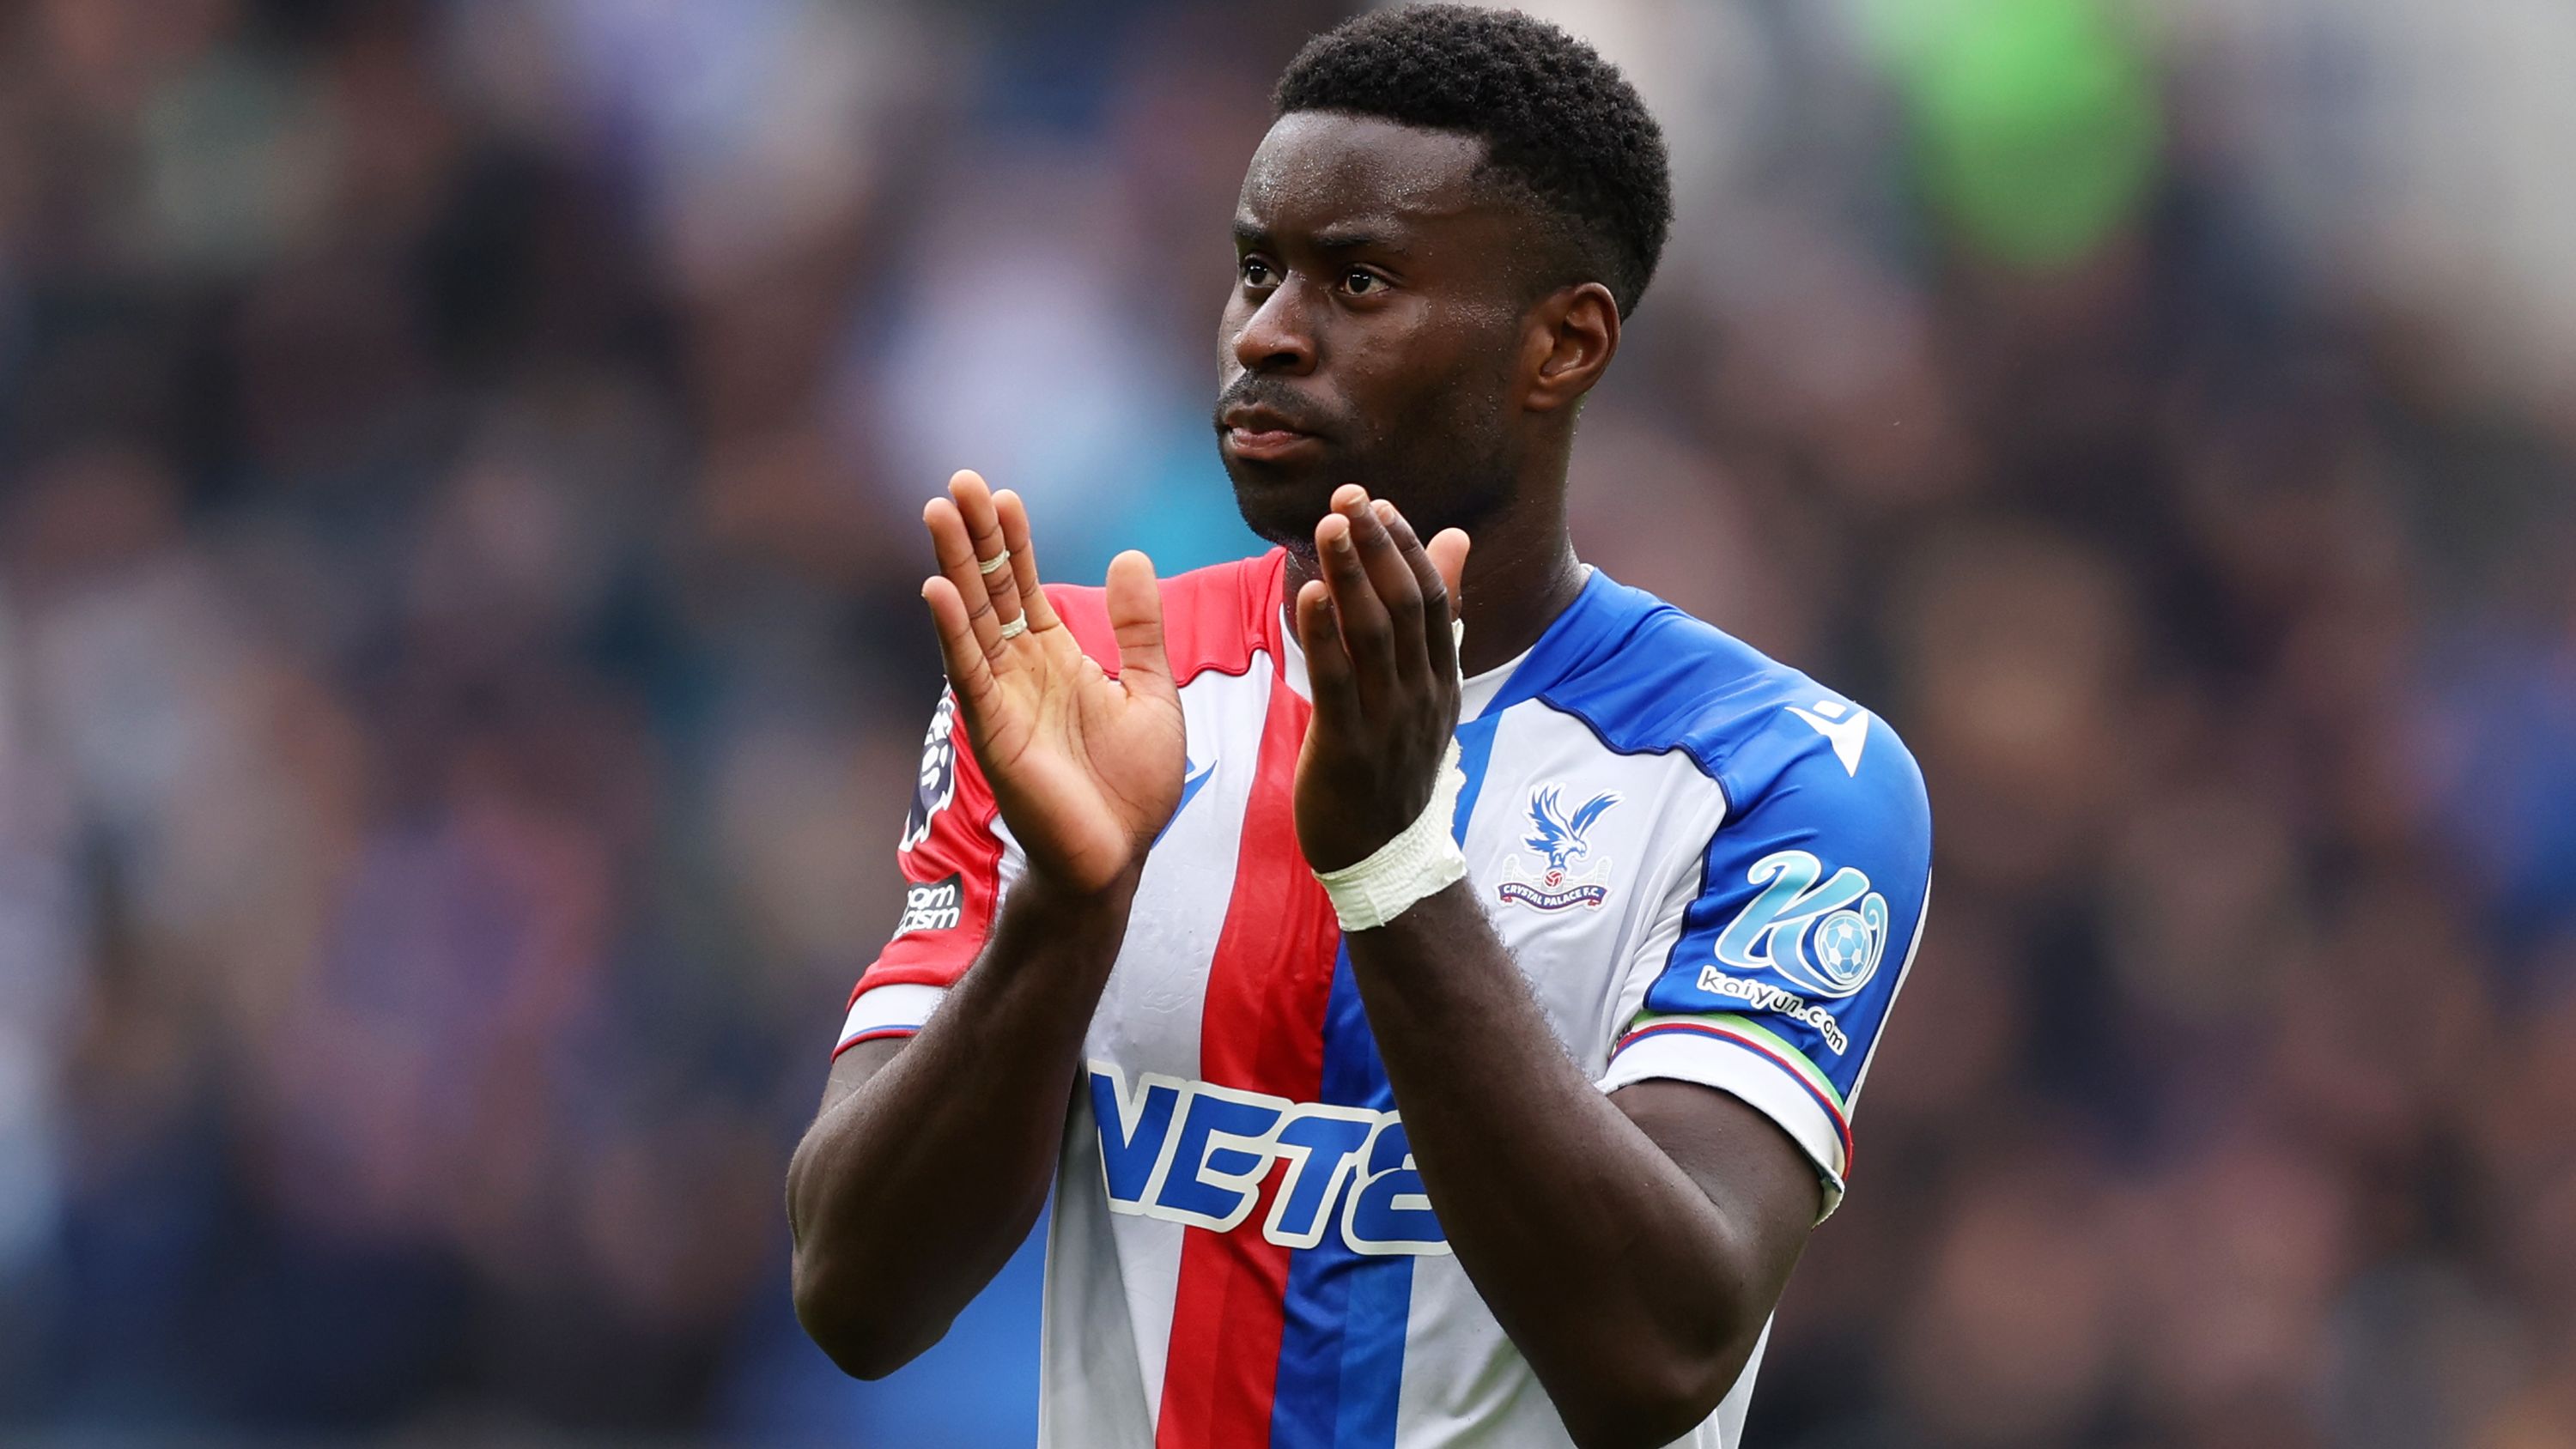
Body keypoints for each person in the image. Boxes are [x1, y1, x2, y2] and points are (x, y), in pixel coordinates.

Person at [787, 7, 1931, 1446]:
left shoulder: (1783, 775)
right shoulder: (1078, 693)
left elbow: (1657, 1352)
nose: (1266, 332)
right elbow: (857, 1297)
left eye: (1360, 279)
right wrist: (1063, 912)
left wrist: (1393, 870)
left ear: (1563, 344)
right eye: (1257, 267)